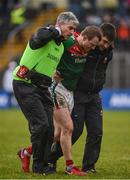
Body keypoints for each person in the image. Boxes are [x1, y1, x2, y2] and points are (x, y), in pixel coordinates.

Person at [17, 25, 102, 175]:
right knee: (68, 127)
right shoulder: (67, 41)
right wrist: (52, 70)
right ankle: (70, 166)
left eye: (95, 46)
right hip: (58, 87)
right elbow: (50, 47)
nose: (93, 48)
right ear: (84, 37)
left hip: (70, 91)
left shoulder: (87, 49)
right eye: (92, 44)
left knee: (56, 134)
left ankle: (27, 152)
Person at [13, 11, 79, 175]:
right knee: (41, 125)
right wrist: (56, 30)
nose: (72, 32)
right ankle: (38, 167)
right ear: (60, 24)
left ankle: (35, 159)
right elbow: (38, 37)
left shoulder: (60, 46)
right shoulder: (44, 35)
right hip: (25, 84)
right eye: (69, 28)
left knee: (50, 129)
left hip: (42, 88)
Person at [45, 23, 117, 173]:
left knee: (96, 132)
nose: (104, 45)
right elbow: (65, 52)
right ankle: (50, 159)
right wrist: (55, 70)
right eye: (103, 41)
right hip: (78, 93)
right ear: (97, 37)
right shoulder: (87, 47)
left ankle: (89, 167)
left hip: (95, 95)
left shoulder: (108, 52)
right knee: (73, 130)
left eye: (108, 43)